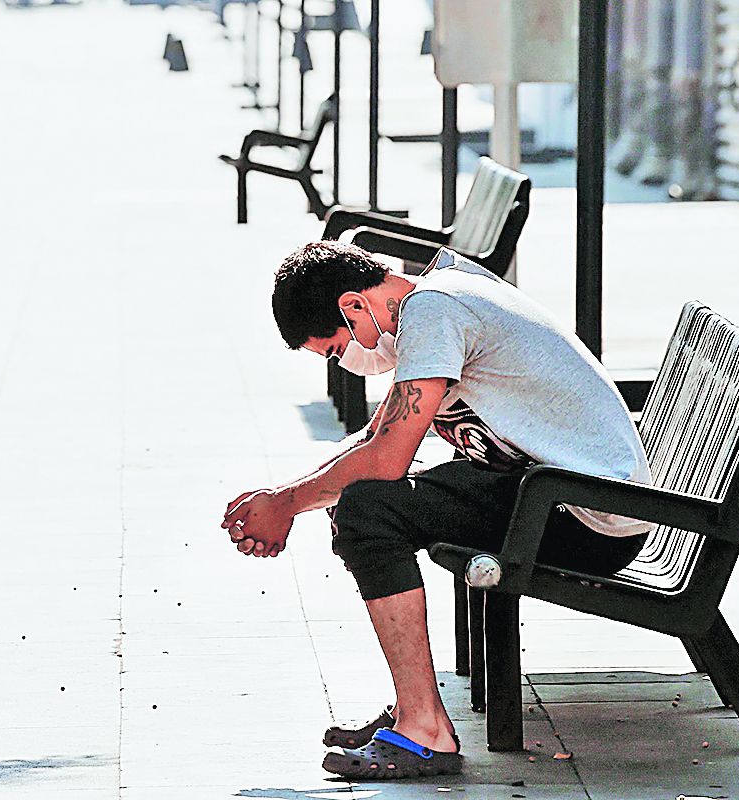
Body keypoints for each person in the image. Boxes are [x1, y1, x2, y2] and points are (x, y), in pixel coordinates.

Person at [221, 242, 652, 779]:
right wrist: (283, 498)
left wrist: (284, 506)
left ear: (354, 306)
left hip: (587, 518)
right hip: (555, 497)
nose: (348, 360)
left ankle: (424, 729)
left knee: (370, 511)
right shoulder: (433, 300)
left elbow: (386, 459)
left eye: (335, 348)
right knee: (363, 502)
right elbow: (378, 437)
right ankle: (412, 707)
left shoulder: (433, 312)